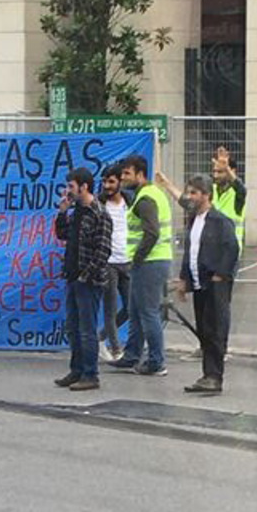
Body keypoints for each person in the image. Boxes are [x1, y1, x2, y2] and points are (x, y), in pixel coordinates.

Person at [108, 155, 173, 376]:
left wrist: (137, 258)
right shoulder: (148, 194)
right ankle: (132, 356)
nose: (122, 178)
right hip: (149, 261)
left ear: (140, 174)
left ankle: (156, 362)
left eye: (127, 173)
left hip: (150, 262)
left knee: (148, 312)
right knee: (135, 311)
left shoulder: (145, 199)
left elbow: (152, 232)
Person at [175, 176, 239, 393]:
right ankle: (206, 374)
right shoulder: (194, 220)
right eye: (189, 192)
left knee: (215, 328)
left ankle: (214, 375)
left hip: (215, 284)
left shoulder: (220, 221)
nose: (190, 197)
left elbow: (231, 248)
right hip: (198, 282)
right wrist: (184, 279)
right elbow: (190, 252)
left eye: (194, 193)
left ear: (206, 195)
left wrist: (221, 275)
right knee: (204, 328)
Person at [53, 168, 113, 391]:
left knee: (87, 329)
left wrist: (85, 276)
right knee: (72, 327)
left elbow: (103, 250)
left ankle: (90, 374)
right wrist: (62, 212)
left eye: (71, 186)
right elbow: (62, 234)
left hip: (88, 281)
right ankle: (76, 369)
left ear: (84, 187)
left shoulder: (99, 213)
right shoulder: (77, 211)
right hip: (72, 276)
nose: (68, 190)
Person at [156, 145, 246, 254]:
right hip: (208, 251)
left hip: (228, 252)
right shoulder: (210, 189)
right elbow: (188, 202)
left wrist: (227, 168)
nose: (216, 175)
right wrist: (167, 184)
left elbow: (241, 188)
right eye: (214, 171)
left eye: (220, 172)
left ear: (232, 171)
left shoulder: (236, 194)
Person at [97, 163, 131, 361]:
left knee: (130, 307)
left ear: (120, 182)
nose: (107, 186)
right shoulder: (100, 204)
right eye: (104, 181)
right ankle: (117, 350)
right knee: (109, 309)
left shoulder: (131, 201)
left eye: (111, 181)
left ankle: (100, 337)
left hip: (127, 260)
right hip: (108, 262)